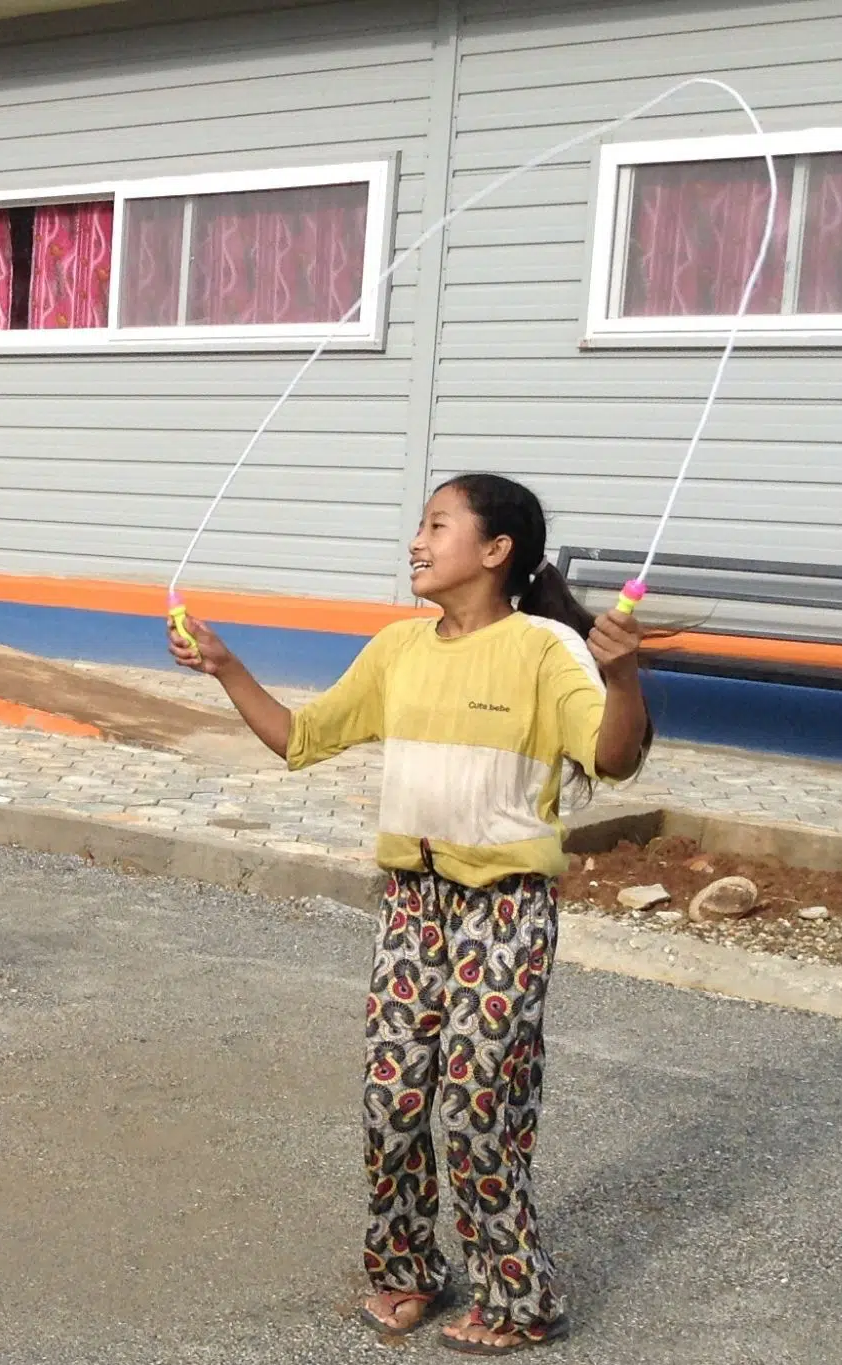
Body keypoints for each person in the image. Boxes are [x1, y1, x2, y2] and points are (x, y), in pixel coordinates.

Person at [168, 473, 649, 1355]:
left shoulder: (547, 649)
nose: (417, 542)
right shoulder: (397, 648)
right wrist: (226, 666)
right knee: (391, 1098)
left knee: (475, 1098)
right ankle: (406, 1270)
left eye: (437, 525)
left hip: (505, 906)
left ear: (496, 550)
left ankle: (520, 1295)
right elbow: (302, 737)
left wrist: (622, 677)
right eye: (419, 526)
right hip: (413, 903)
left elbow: (612, 758)